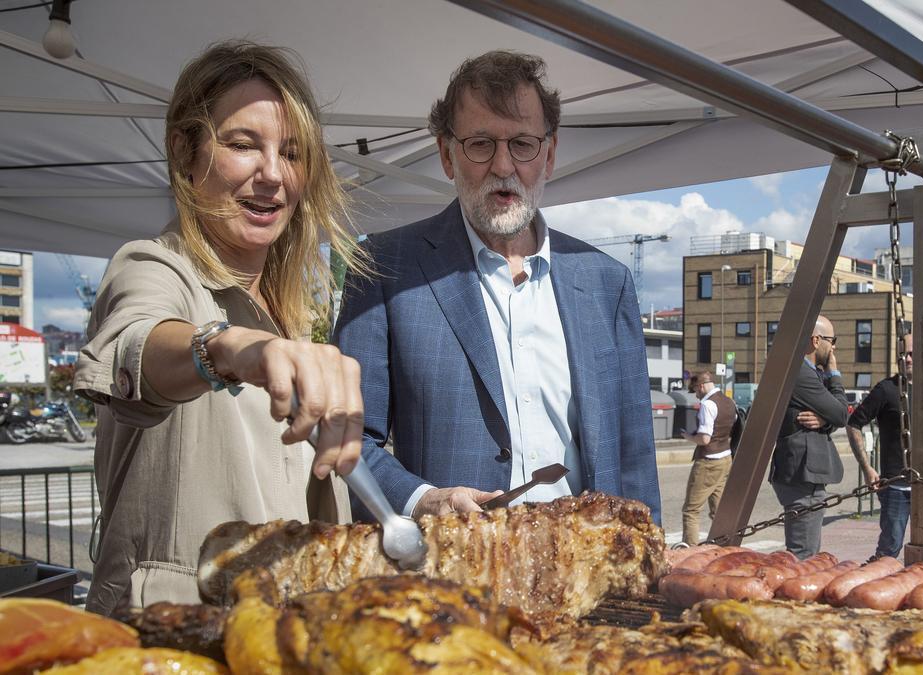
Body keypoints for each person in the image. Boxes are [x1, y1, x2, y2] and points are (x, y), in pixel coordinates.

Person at [73, 41, 366, 615]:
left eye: (293, 153)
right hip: (172, 636)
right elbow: (139, 342)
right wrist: (227, 348)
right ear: (187, 150)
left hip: (281, 631)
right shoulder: (152, 267)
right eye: (242, 144)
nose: (272, 175)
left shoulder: (293, 311)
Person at [333, 51, 661, 523]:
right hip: (449, 572)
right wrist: (424, 499)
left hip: (587, 571)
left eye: (523, 144)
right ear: (447, 155)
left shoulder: (607, 282)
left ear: (548, 155)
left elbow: (634, 456)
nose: (503, 165)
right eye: (481, 144)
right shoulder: (385, 266)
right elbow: (347, 439)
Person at [846, 334, 923, 564]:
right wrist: (867, 468)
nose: (907, 359)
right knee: (890, 545)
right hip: (895, 485)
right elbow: (854, 424)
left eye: (913, 354)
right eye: (902, 354)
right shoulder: (885, 390)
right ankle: (876, 588)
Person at [770, 315, 847, 559]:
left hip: (805, 473)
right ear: (816, 340)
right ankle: (795, 597)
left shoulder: (808, 372)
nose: (833, 347)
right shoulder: (800, 373)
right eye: (831, 340)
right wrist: (835, 373)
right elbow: (841, 413)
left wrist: (824, 422)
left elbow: (831, 416)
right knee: (803, 555)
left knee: (808, 552)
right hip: (802, 475)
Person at [680, 371, 736, 545]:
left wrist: (688, 436)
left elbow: (705, 439)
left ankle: (690, 551)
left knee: (691, 510)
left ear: (701, 386)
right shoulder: (729, 402)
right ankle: (726, 545)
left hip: (709, 461)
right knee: (718, 510)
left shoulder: (707, 405)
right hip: (726, 458)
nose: (696, 395)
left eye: (695, 391)